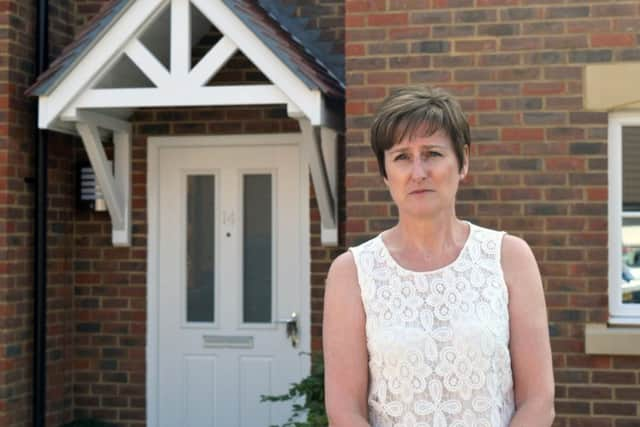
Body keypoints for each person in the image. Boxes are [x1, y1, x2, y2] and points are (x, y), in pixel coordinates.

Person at [323, 87, 555, 427]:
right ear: (386, 174)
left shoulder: (509, 258)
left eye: (432, 153)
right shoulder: (352, 273)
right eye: (402, 157)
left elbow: (539, 400)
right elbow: (345, 412)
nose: (418, 172)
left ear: (463, 162)